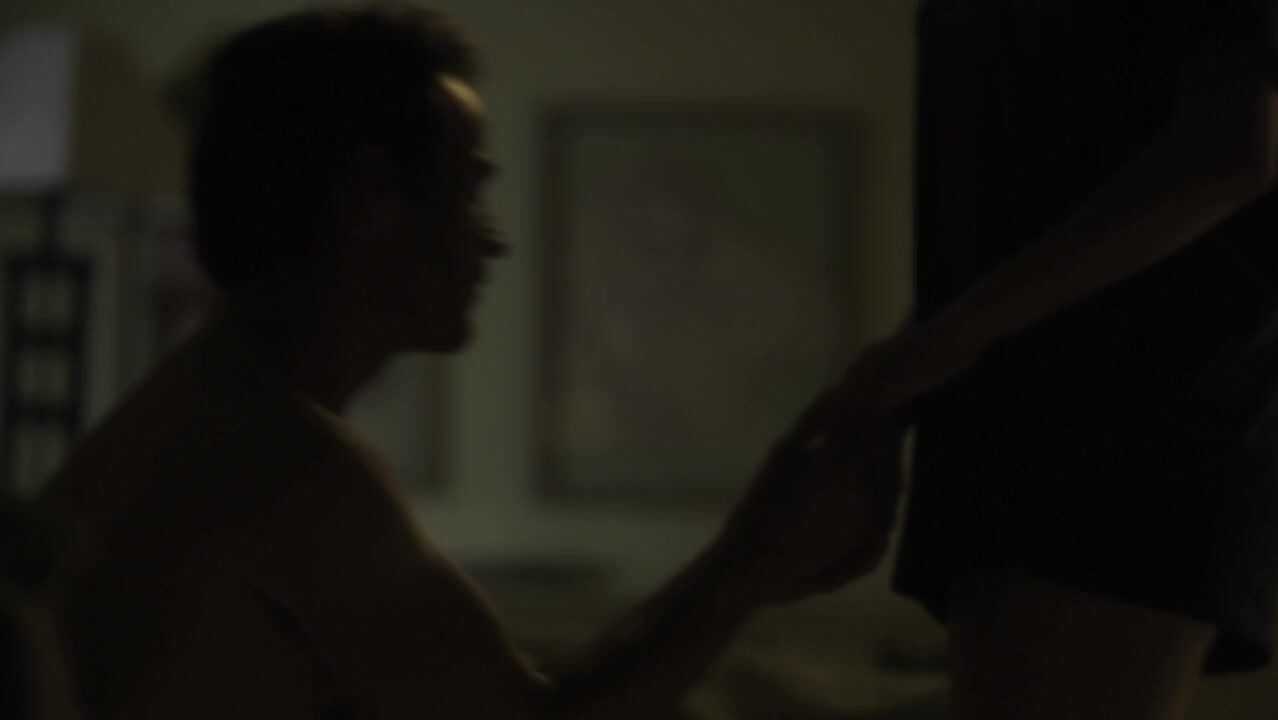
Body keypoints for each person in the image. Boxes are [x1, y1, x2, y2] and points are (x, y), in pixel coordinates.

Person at [39, 6, 905, 718]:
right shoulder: (282, 464)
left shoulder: (203, 411)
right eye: (469, 188)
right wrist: (754, 556)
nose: (493, 241)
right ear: (371, 197)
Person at [834, 1, 1278, 718]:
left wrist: (945, 341)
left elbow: (1230, 153)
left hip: (1130, 422)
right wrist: (912, 365)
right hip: (1012, 422)